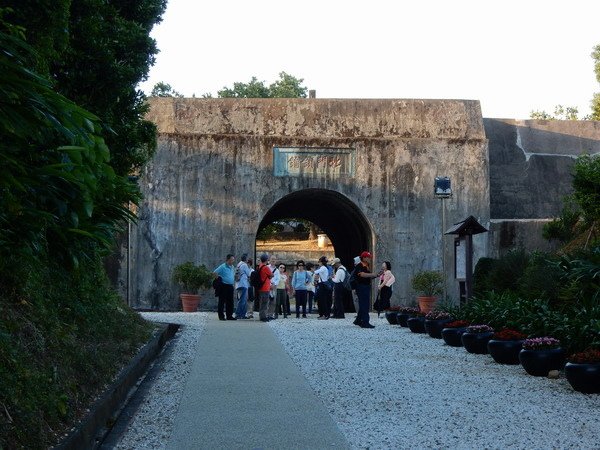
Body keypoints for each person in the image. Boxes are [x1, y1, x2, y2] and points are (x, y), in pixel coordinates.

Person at [354, 251, 381, 328]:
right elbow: (362, 274)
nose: (370, 259)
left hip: (365, 286)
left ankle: (358, 320)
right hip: (361, 287)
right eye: (368, 257)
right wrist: (373, 274)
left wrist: (376, 275)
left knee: (363, 304)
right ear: (364, 258)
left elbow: (368, 277)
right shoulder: (359, 266)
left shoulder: (366, 266)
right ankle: (365, 322)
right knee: (364, 305)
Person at [213, 254, 236, 320]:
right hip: (224, 286)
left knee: (230, 302)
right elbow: (215, 272)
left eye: (233, 260)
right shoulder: (223, 266)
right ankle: (221, 316)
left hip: (230, 286)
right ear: (228, 260)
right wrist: (219, 279)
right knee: (222, 301)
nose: (233, 261)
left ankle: (229, 316)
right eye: (232, 260)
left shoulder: (232, 267)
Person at [257, 254, 274, 322]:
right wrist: (269, 276)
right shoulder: (266, 267)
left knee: (262, 303)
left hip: (261, 287)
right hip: (265, 287)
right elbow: (271, 274)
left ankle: (261, 315)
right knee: (265, 303)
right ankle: (263, 317)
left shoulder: (260, 266)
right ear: (267, 260)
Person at [234, 254, 252, 319]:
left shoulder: (239, 264)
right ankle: (239, 314)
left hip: (238, 284)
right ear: (246, 259)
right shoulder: (244, 265)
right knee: (242, 300)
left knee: (242, 299)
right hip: (243, 284)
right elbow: (249, 273)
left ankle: (242, 314)